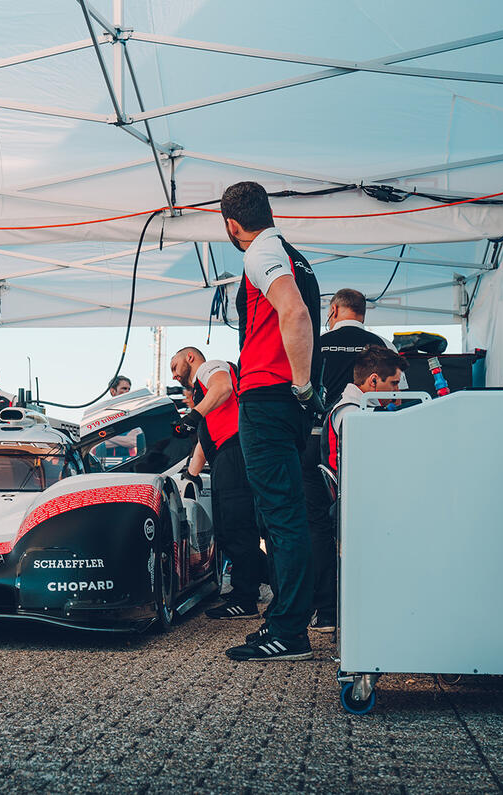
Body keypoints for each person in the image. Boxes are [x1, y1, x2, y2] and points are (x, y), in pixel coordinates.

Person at [218, 181, 323, 663]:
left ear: (232, 225)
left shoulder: (260, 252)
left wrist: (301, 387)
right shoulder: (293, 254)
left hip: (270, 396)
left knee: (282, 517)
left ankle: (288, 631)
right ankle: (285, 620)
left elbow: (295, 313)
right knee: (284, 515)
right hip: (285, 401)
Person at [302, 288, 394, 632]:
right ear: (363, 312)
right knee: (365, 524)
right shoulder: (381, 345)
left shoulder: (317, 342)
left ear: (335, 309)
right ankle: (366, 606)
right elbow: (396, 394)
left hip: (315, 441)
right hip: (365, 444)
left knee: (317, 526)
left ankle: (325, 612)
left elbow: (300, 386)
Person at [169, 347, 263, 619]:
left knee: (237, 527)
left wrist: (193, 416)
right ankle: (252, 587)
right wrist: (189, 476)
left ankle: (246, 598)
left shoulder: (210, 368)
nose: (174, 375)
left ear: (190, 358)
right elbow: (202, 441)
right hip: (224, 456)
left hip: (233, 453)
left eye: (175, 366)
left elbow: (224, 386)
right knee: (227, 530)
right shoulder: (202, 394)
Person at [322, 345, 407, 474]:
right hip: (355, 489)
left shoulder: (355, 406)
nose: (397, 391)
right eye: (393, 383)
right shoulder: (350, 411)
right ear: (373, 380)